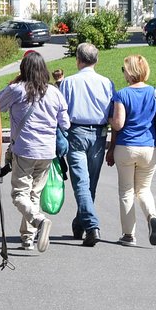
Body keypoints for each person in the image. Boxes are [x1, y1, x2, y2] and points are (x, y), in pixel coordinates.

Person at [0, 51, 70, 252]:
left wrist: (13, 84)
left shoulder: (17, 90)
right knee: (34, 194)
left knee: (19, 194)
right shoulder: (54, 92)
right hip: (47, 152)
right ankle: (28, 239)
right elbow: (65, 123)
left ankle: (38, 221)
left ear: (24, 70)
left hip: (24, 150)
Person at [106, 55, 156, 247]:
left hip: (126, 147)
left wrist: (108, 120)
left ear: (130, 72)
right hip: (148, 148)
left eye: (124, 69)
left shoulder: (122, 94)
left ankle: (129, 235)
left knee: (126, 191)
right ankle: (152, 217)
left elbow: (118, 124)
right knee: (144, 190)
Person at [58, 43, 115, 247]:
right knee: (89, 183)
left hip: (76, 132)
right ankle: (81, 223)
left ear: (77, 60)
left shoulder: (68, 83)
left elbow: (61, 113)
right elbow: (111, 112)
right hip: (99, 134)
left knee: (81, 183)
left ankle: (90, 226)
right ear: (96, 60)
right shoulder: (107, 83)